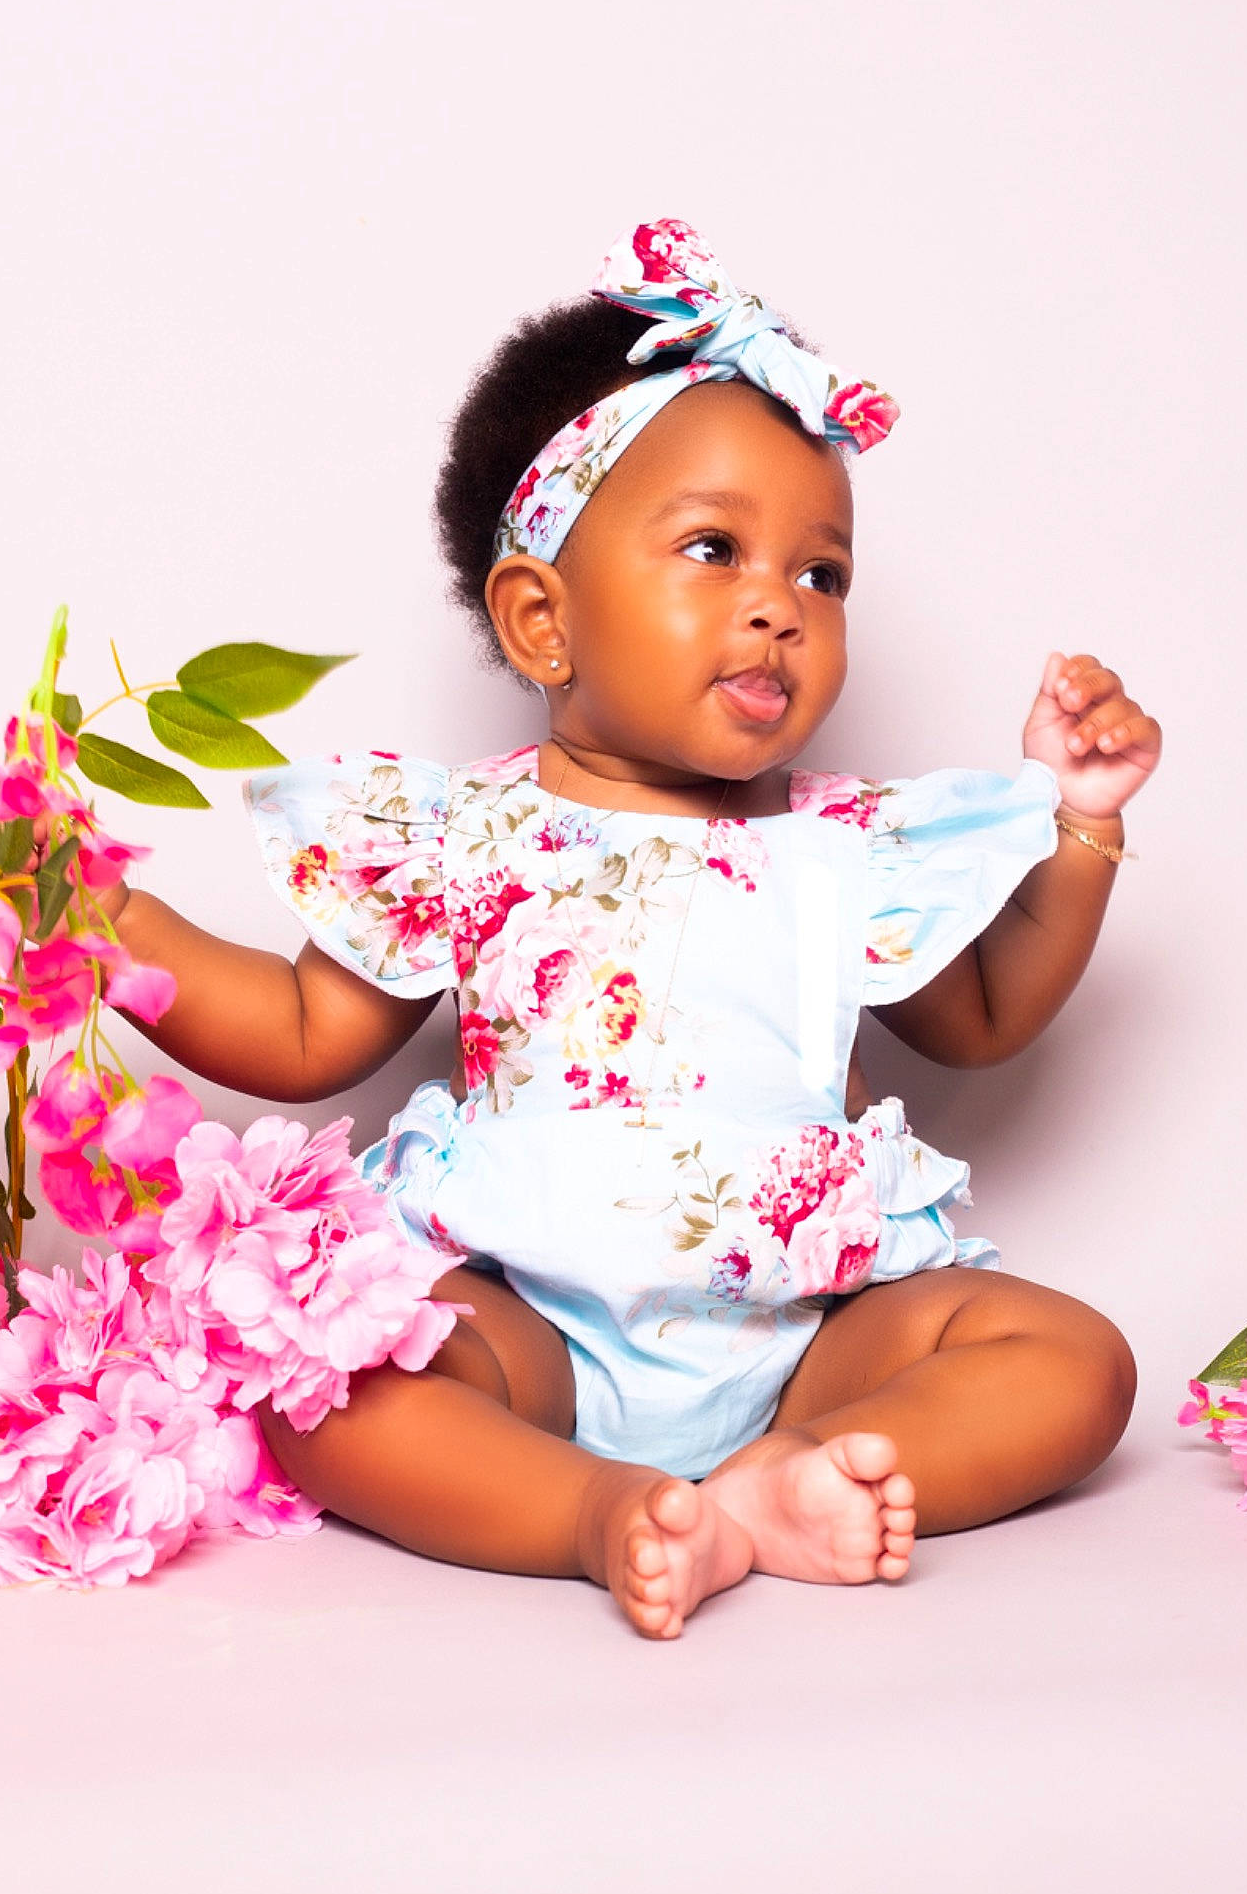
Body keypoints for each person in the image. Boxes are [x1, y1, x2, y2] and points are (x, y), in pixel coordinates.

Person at [95, 218, 1160, 1638]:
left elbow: (978, 1020)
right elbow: (297, 1033)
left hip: (809, 1340)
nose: (778, 608)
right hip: (527, 1328)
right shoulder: (465, 837)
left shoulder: (846, 847)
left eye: (821, 574)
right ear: (543, 620)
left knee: (1071, 1361)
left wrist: (1080, 827)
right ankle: (587, 1514)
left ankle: (786, 1479)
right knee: (334, 1396)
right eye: (714, 551)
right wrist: (99, 920)